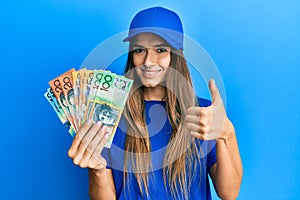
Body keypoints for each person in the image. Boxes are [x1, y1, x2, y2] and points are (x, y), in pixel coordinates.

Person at [68, 6, 243, 200]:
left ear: (176, 56)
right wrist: (97, 170)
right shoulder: (109, 114)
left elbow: (229, 193)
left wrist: (227, 133)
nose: (148, 61)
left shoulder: (203, 115)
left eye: (160, 50)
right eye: (139, 50)